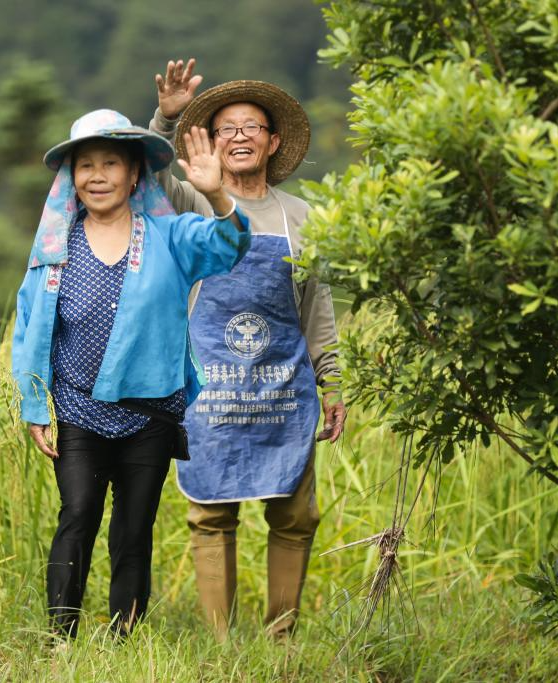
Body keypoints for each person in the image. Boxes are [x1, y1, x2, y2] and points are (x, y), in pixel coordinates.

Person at [11, 108, 250, 639]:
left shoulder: (170, 236)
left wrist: (216, 195)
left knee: (134, 529)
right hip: (77, 408)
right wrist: (34, 404)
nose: (97, 175)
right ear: (71, 178)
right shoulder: (57, 247)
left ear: (134, 173)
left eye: (110, 163)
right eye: (85, 165)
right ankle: (61, 638)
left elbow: (230, 246)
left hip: (150, 413)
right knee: (77, 515)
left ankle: (122, 640)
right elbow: (30, 325)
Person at [149, 59, 346, 640]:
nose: (239, 136)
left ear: (273, 141)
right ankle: (220, 645)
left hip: (284, 386)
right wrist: (166, 115)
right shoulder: (189, 200)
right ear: (209, 142)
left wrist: (331, 383)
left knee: (295, 512)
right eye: (226, 128)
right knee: (211, 512)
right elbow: (149, 172)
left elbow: (318, 310)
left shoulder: (301, 217)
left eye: (251, 127)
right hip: (208, 386)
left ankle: (280, 637)